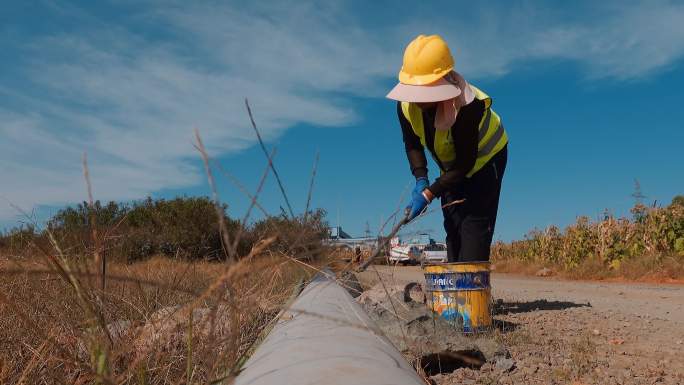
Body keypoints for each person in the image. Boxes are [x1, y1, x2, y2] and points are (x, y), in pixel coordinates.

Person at [386, 34, 508, 263]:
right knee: (453, 227)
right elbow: (412, 144)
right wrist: (421, 179)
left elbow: (466, 163)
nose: (418, 99)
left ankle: (474, 295)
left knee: (473, 228)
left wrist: (429, 194)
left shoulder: (467, 107)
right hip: (452, 167)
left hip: (484, 162)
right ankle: (455, 295)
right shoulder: (405, 106)